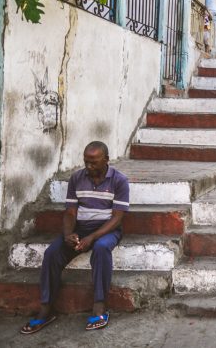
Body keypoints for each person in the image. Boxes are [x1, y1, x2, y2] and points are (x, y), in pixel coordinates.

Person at [20, 141, 129, 334]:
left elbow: (118, 218)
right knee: (52, 253)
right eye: (86, 161)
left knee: (102, 248)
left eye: (94, 162)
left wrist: (93, 238)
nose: (89, 166)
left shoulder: (119, 180)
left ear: (106, 160)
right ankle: (46, 309)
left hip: (107, 229)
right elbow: (70, 212)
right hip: (81, 227)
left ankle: (99, 306)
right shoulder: (77, 178)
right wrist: (68, 234)